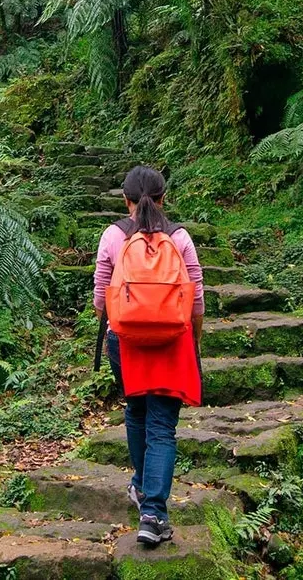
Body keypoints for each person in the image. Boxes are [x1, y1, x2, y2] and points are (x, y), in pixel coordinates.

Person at [93, 166, 204, 548]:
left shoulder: (113, 236)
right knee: (162, 426)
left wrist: (121, 325)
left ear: (125, 200)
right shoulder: (180, 237)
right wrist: (194, 339)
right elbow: (197, 298)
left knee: (136, 411)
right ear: (163, 198)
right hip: (172, 341)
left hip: (125, 342)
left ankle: (142, 489)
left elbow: (100, 298)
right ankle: (153, 513)